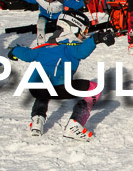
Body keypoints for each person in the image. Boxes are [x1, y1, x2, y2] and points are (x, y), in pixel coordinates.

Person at [7, 10, 115, 140]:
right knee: (94, 88)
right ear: (73, 29)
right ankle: (75, 125)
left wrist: (14, 51)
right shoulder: (69, 47)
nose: (84, 36)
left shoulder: (44, 47)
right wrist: (96, 38)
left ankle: (37, 121)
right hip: (62, 87)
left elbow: (27, 53)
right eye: (83, 32)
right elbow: (82, 52)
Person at [6, 0, 87, 45]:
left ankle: (60, 40)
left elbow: (74, 4)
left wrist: (85, 1)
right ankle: (40, 43)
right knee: (40, 24)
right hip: (44, 16)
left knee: (64, 27)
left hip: (59, 17)